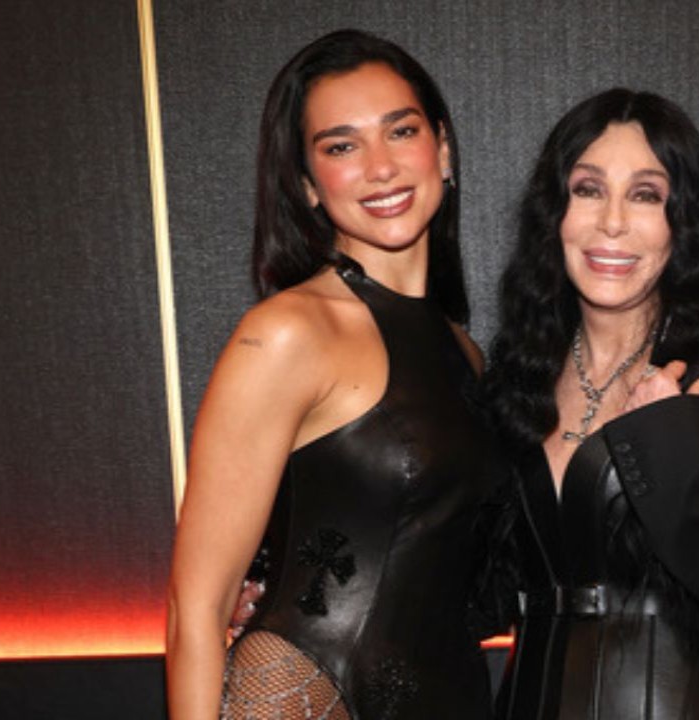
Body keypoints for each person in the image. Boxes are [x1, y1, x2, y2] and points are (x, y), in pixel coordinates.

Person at [166, 30, 496, 719]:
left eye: (399, 131)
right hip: (306, 696)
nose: (381, 167)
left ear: (443, 148)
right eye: (342, 146)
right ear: (309, 185)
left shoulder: (466, 352)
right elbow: (194, 608)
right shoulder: (287, 332)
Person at [480, 88, 699, 719]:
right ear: (554, 212)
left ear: (681, 222)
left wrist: (671, 449)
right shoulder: (513, 381)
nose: (612, 221)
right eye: (587, 189)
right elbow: (478, 596)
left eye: (645, 195)